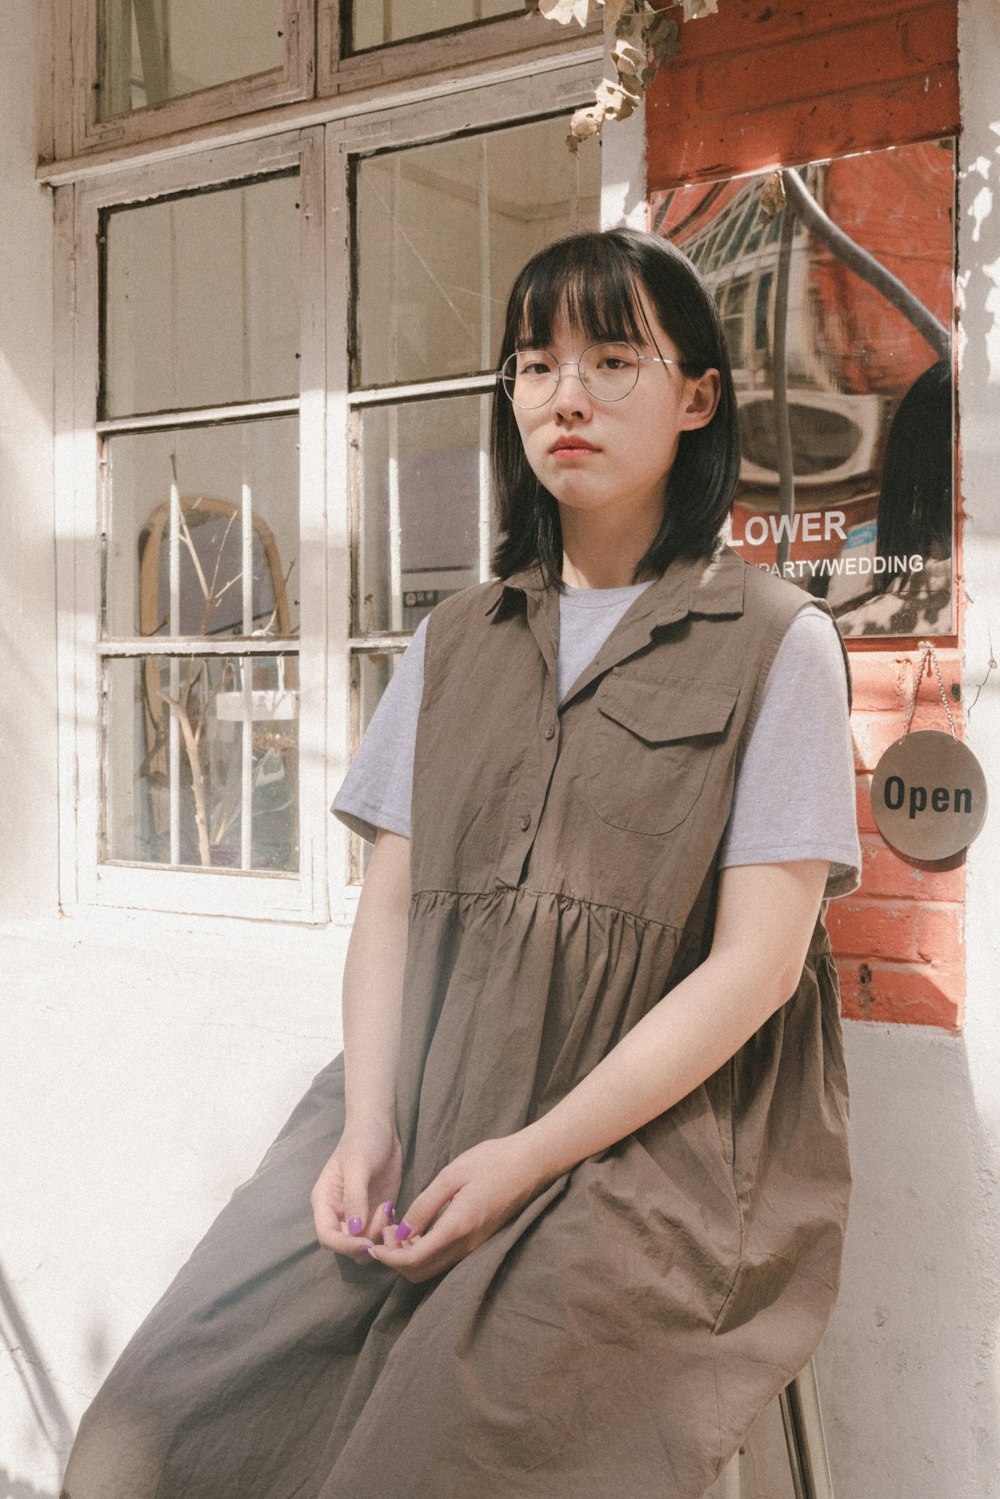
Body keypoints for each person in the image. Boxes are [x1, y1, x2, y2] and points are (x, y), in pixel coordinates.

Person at [61, 229, 860, 1499]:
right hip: (422, 1100)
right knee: (141, 1439)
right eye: (535, 364)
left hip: (641, 1145)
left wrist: (530, 1155)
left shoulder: (777, 642)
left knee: (433, 1461)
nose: (568, 395)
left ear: (697, 394)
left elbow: (758, 967)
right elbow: (387, 909)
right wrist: (368, 1120)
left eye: (612, 357)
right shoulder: (453, 639)